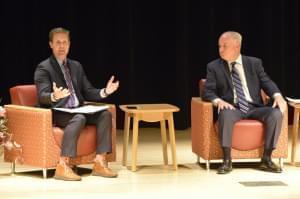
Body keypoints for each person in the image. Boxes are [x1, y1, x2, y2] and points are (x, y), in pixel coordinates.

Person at [34, 27, 119, 181]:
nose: (61, 46)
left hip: (78, 108)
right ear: (51, 44)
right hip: (57, 111)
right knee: (79, 118)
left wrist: (105, 91)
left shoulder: (76, 66)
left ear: (69, 44)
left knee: (104, 114)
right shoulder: (43, 67)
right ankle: (62, 165)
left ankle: (100, 162)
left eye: (64, 42)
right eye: (58, 42)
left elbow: (87, 91)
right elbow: (42, 96)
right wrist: (54, 95)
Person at [203, 31, 287, 174]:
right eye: (219, 46)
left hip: (254, 107)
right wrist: (218, 101)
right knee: (225, 114)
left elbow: (266, 82)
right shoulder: (214, 67)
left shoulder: (254, 63)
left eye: (224, 46)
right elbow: (208, 91)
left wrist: (278, 95)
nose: (220, 49)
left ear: (236, 46)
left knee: (276, 114)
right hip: (232, 107)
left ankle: (267, 158)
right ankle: (227, 160)